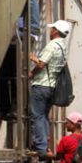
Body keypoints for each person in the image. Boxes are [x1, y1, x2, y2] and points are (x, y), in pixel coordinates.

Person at [28, 20, 71, 152]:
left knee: (37, 116)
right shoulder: (64, 47)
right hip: (52, 87)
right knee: (44, 116)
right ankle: (45, 144)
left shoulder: (52, 45)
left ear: (56, 31)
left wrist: (33, 62)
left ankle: (40, 146)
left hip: (41, 85)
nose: (50, 31)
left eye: (52, 29)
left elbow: (41, 64)